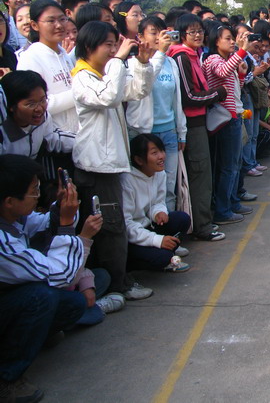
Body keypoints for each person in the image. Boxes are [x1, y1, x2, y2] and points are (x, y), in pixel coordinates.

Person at [0, 154, 101, 402]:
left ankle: (30, 336)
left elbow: (42, 222)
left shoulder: (13, 217)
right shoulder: (3, 244)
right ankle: (7, 378)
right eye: (33, 192)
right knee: (40, 297)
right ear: (10, 201)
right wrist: (74, 230)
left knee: (74, 304)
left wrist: (61, 206)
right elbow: (61, 275)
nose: (37, 197)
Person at [71, 20, 156, 299]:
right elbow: (108, 97)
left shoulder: (103, 74)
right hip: (96, 166)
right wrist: (119, 60)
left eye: (114, 45)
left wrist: (142, 63)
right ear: (88, 47)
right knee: (111, 228)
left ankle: (115, 283)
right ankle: (117, 286)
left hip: (109, 164)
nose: (112, 50)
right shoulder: (83, 78)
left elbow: (137, 91)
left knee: (113, 225)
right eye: (107, 45)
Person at [169, 14, 227, 241]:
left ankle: (202, 221)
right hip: (191, 125)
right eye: (192, 32)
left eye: (200, 31)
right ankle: (202, 226)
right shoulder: (182, 57)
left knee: (203, 173)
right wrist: (218, 94)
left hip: (199, 122)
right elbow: (189, 96)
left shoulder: (194, 55)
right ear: (181, 34)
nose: (197, 35)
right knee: (199, 174)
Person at [125, 16, 183, 211]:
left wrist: (181, 131)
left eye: (162, 33)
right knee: (145, 187)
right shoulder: (133, 63)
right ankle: (149, 227)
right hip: (144, 132)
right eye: (153, 33)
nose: (159, 37)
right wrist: (160, 53)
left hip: (169, 130)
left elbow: (177, 99)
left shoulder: (170, 62)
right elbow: (147, 82)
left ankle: (169, 224)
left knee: (169, 184)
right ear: (140, 37)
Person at [122, 134, 192, 273]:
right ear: (139, 160)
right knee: (163, 257)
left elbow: (158, 201)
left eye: (161, 151)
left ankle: (166, 249)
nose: (161, 156)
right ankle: (133, 264)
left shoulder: (159, 173)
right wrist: (157, 240)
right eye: (154, 153)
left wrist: (158, 212)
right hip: (132, 237)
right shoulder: (127, 181)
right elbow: (127, 224)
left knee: (182, 219)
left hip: (149, 226)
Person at [202, 24, 250, 225]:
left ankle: (232, 202)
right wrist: (242, 50)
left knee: (234, 165)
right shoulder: (213, 60)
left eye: (233, 38)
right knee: (227, 167)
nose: (232, 42)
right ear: (216, 41)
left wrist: (241, 74)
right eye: (228, 38)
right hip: (226, 120)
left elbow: (235, 89)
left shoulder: (227, 60)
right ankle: (223, 210)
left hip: (234, 116)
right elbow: (222, 73)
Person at [16, 0, 79, 133]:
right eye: (51, 21)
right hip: (51, 136)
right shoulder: (30, 58)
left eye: (62, 19)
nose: (59, 25)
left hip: (76, 135)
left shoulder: (64, 55)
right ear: (35, 25)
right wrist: (80, 93)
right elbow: (33, 106)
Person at [0, 70, 74, 158]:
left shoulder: (43, 118)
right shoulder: (3, 132)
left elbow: (52, 137)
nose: (39, 109)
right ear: (11, 106)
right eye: (31, 104)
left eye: (43, 100)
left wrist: (83, 142)